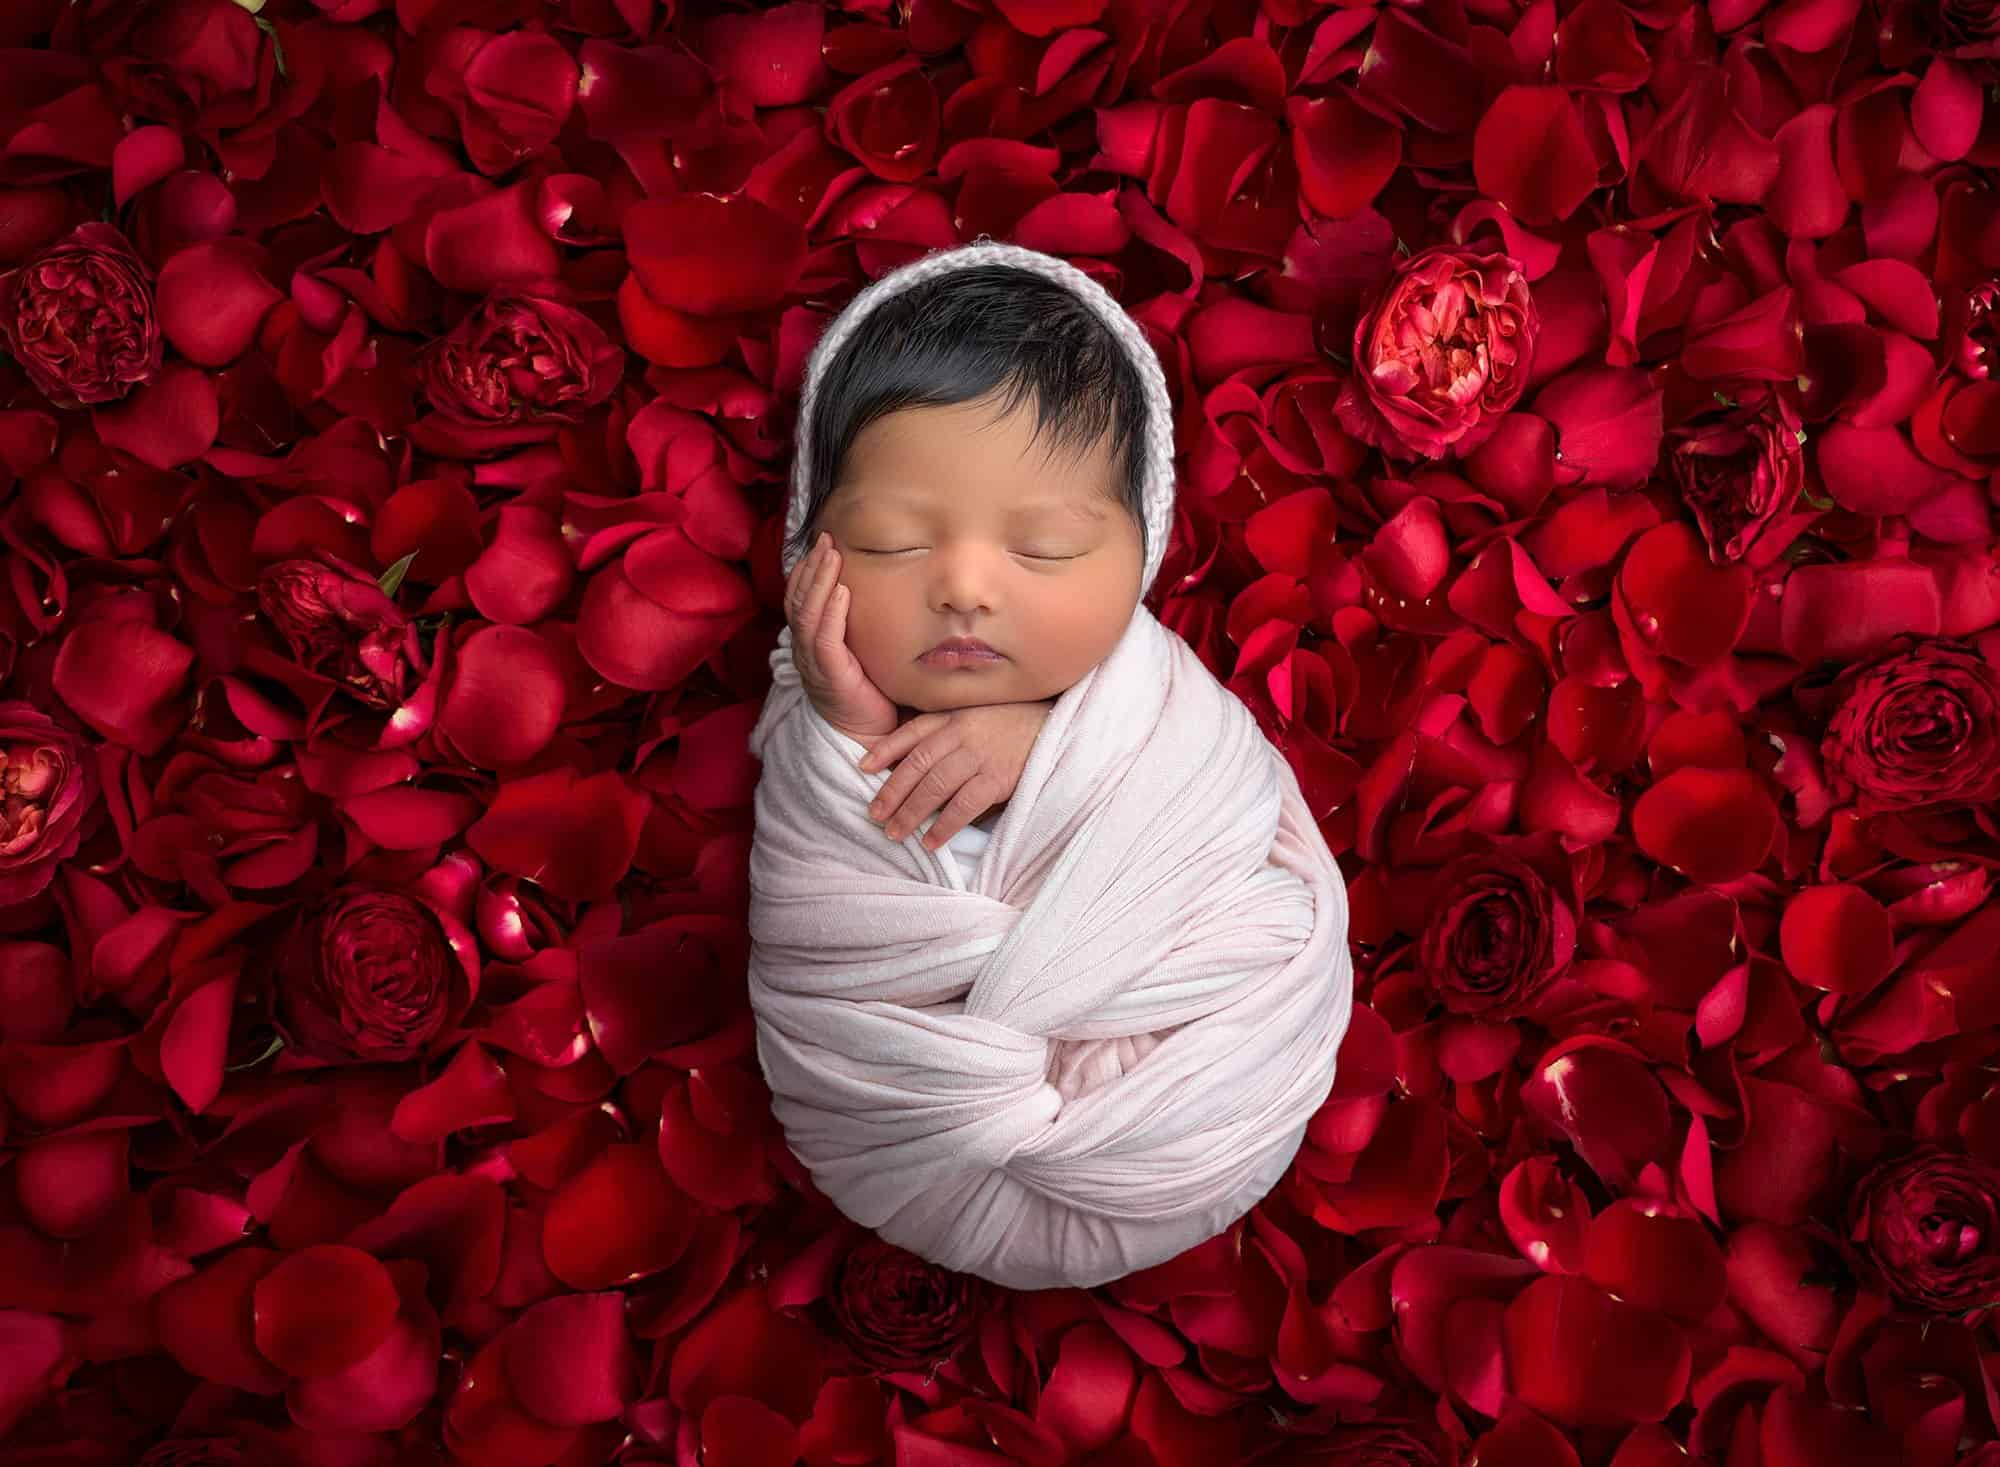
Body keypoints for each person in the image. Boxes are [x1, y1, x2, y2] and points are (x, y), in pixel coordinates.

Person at [746, 239, 1351, 1290]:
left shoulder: (1163, 714)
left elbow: (1237, 827)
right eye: (892, 542)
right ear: (811, 553)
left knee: (1275, 923)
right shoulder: (817, 726)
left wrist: (1057, 749)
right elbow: (816, 917)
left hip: (1187, 1106)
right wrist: (837, 731)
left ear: (1142, 556)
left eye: (1047, 550)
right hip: (912, 1148)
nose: (968, 588)